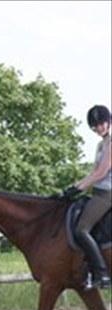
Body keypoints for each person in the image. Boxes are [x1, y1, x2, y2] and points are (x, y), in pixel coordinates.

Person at [61, 104, 112, 289]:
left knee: (82, 229)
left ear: (108, 122)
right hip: (98, 192)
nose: (99, 128)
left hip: (107, 194)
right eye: (95, 126)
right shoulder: (101, 145)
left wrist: (79, 188)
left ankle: (102, 274)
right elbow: (93, 173)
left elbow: (101, 172)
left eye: (101, 124)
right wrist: (75, 187)